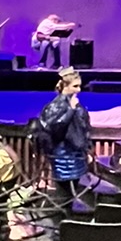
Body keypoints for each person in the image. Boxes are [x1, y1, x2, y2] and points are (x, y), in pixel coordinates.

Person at [39, 69, 92, 211]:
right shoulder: (56, 105)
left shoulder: (75, 104)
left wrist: (87, 149)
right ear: (65, 86)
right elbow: (54, 127)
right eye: (75, 86)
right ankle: (59, 225)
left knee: (71, 193)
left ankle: (65, 222)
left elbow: (84, 127)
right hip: (63, 155)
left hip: (76, 154)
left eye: (80, 86)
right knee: (63, 195)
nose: (79, 90)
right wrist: (71, 110)